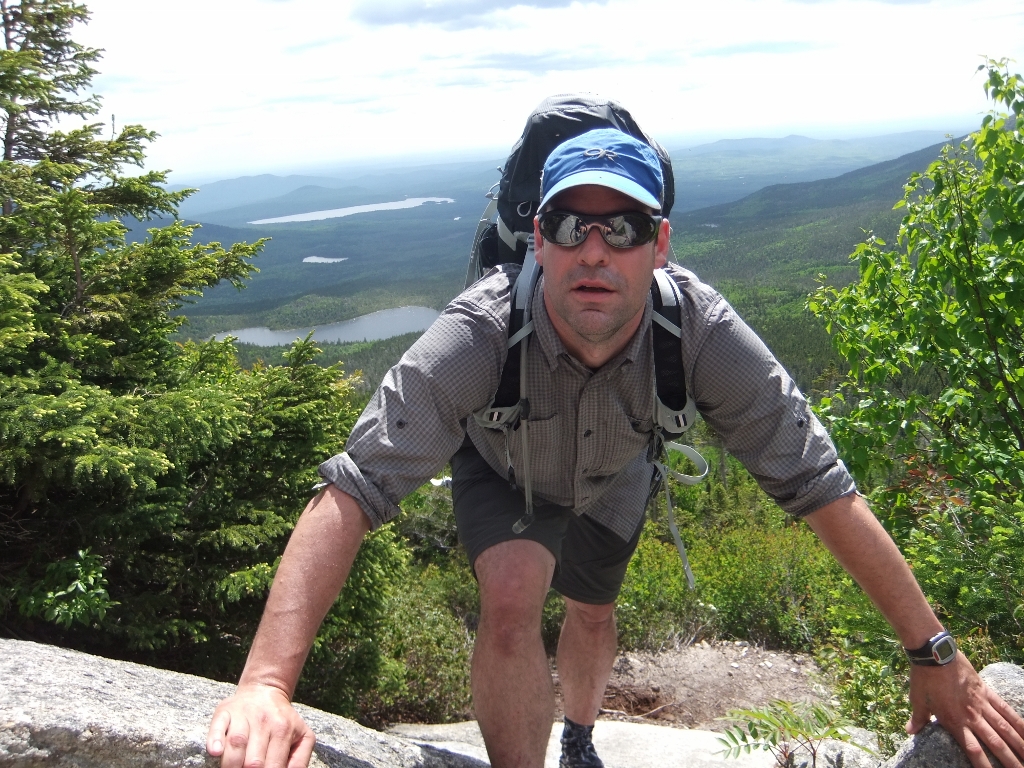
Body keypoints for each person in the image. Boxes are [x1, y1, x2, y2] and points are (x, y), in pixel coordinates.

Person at [207, 128, 1024, 768]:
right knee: (511, 602)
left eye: (623, 227)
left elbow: (819, 483)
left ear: (659, 244)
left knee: (593, 612)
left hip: (615, 473)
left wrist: (934, 652)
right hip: (503, 466)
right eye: (571, 225)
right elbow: (353, 489)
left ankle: (581, 735)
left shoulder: (697, 329)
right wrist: (266, 685)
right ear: (538, 239)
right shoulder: (480, 332)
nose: (594, 250)